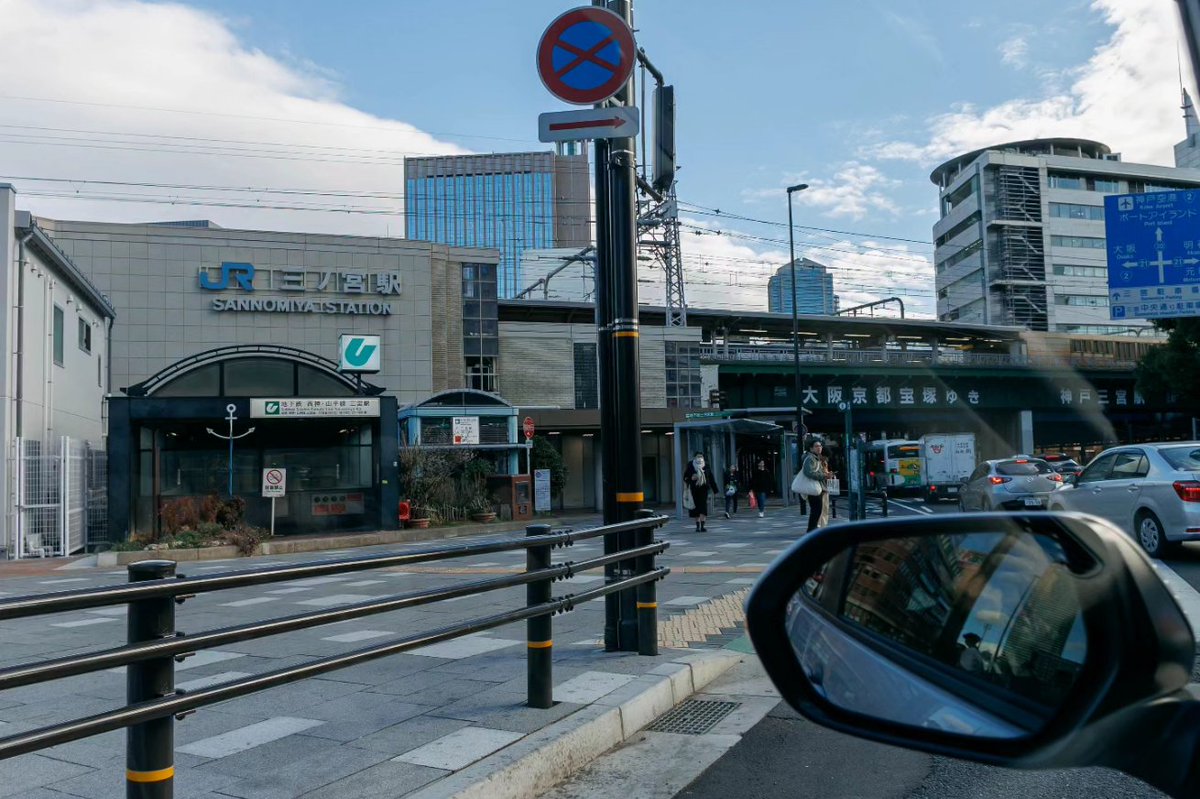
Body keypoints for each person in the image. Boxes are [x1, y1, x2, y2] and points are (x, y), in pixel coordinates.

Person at [682, 452, 718, 532]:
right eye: (698, 456)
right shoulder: (690, 465)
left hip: (703, 489)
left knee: (703, 507)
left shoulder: (706, 465)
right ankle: (697, 526)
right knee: (695, 507)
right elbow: (685, 477)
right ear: (694, 457)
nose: (699, 458)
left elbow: (711, 478)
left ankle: (702, 526)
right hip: (694, 489)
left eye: (701, 456)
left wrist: (715, 489)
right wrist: (691, 478)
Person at [802, 439, 830, 533]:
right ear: (811, 448)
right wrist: (823, 475)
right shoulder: (810, 458)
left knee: (817, 510)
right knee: (816, 510)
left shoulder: (815, 457)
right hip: (813, 488)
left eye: (820, 446)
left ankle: (812, 530)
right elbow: (809, 472)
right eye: (816, 446)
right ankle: (811, 531)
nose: (819, 448)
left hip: (817, 487)